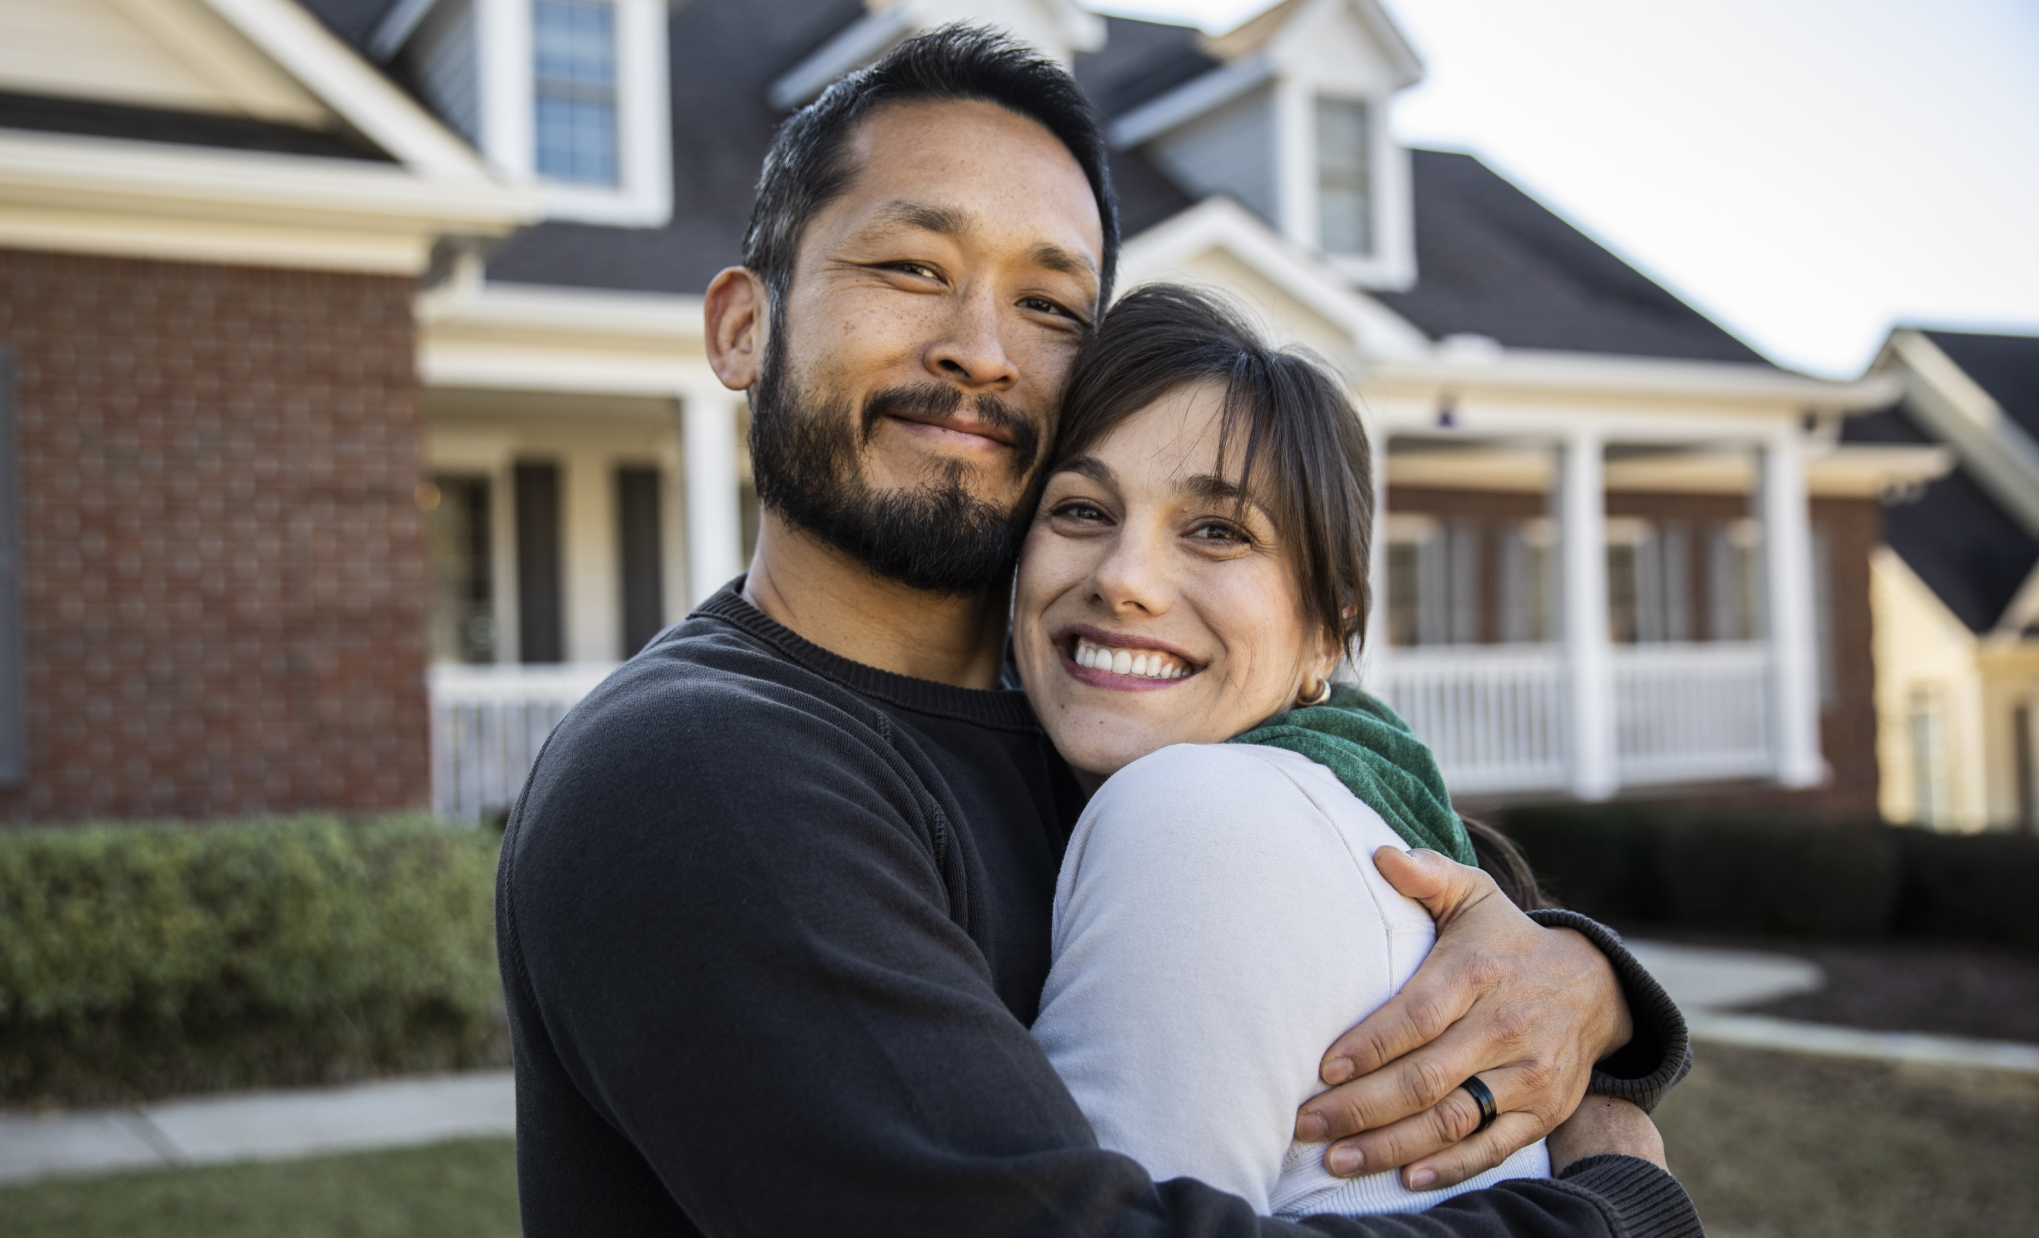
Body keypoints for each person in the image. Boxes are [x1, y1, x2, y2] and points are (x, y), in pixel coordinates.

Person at [496, 26, 1694, 1238]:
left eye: (1049, 302)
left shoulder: (1100, 714)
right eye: (912, 266)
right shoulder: (702, 773)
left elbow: (1419, 862)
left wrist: (1590, 989)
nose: (980, 346)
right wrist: (1617, 1205)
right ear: (743, 328)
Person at [1019, 284, 1664, 1218]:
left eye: (1217, 531)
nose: (1124, 580)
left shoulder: (1195, 811)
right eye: (1081, 510)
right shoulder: (1329, 805)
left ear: (1329, 630)